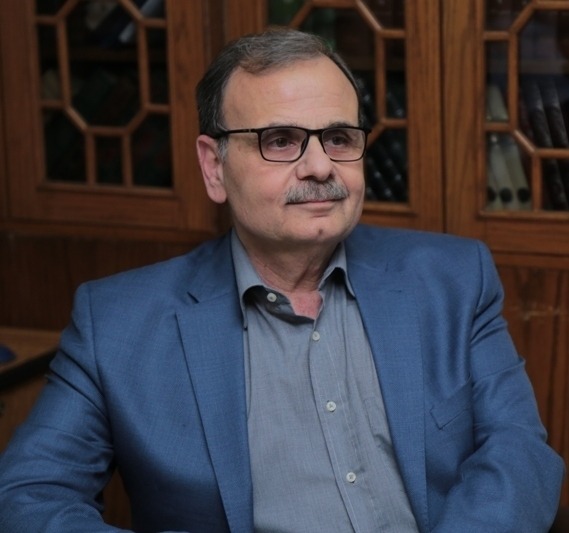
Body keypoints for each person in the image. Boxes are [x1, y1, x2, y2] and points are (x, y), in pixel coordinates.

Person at [0, 27, 564, 533]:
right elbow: (28, 495)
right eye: (280, 140)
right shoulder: (117, 323)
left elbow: (518, 452)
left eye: (338, 138)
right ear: (214, 167)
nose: (319, 166)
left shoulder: (454, 280)